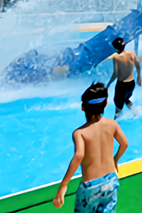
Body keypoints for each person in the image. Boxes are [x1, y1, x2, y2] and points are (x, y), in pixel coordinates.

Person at [53, 83, 129, 211]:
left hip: (91, 186)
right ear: (105, 104)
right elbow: (124, 144)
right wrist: (115, 160)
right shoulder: (112, 124)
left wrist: (64, 185)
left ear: (83, 107)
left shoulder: (80, 133)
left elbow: (79, 156)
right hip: (111, 180)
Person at [106, 37, 142, 119]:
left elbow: (116, 73)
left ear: (115, 48)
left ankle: (116, 121)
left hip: (121, 85)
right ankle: (136, 112)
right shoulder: (132, 54)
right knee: (126, 99)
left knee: (118, 104)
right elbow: (138, 66)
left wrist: (108, 84)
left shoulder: (117, 58)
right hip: (131, 83)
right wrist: (139, 78)